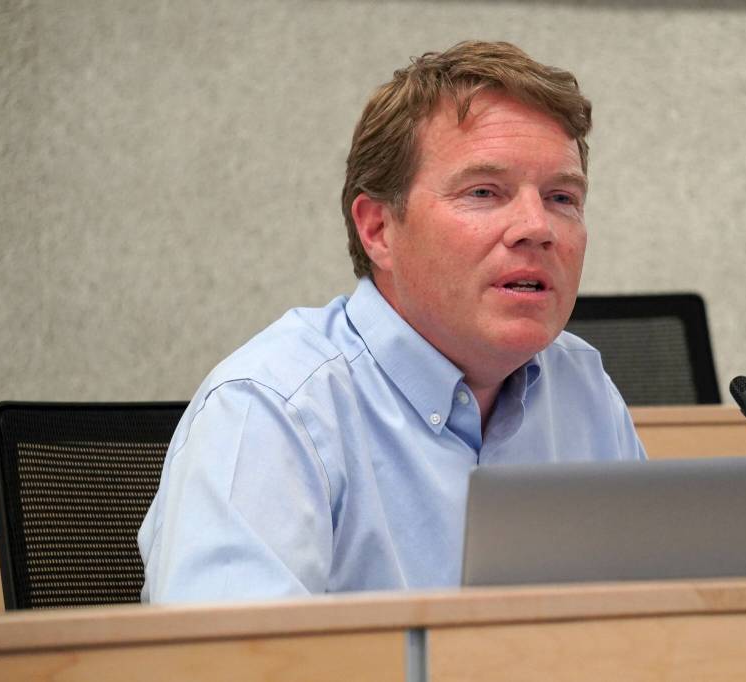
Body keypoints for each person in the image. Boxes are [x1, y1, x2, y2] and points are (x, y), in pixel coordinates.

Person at [139, 40, 647, 603]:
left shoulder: (582, 387)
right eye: (484, 192)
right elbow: (228, 663)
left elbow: (660, 628)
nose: (536, 226)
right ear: (379, 229)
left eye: (561, 197)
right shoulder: (272, 410)